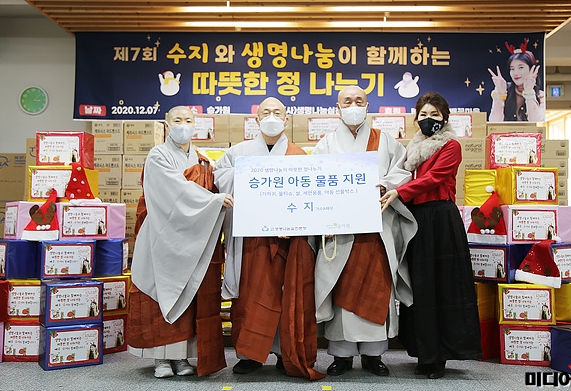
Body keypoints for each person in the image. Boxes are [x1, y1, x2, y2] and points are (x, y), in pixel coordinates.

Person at [214, 97, 323, 380]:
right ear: (256, 119)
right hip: (251, 240)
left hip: (287, 241)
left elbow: (310, 198)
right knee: (251, 295)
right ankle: (249, 355)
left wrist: (294, 223)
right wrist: (246, 173)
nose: (271, 117)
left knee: (285, 296)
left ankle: (283, 352)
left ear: (286, 120)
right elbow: (219, 180)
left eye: (277, 112)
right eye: (266, 112)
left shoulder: (299, 156)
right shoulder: (238, 153)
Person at [311, 85, 417, 377]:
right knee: (341, 288)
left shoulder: (385, 140)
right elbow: (315, 181)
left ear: (367, 106)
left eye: (359, 101)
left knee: (376, 287)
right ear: (338, 107)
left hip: (376, 230)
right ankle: (341, 355)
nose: (353, 106)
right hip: (340, 229)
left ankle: (374, 354)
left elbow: (402, 171)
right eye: (347, 101)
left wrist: (385, 185)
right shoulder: (326, 143)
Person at [380, 91, 482, 379]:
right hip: (416, 220)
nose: (428, 119)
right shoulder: (412, 148)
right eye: (423, 115)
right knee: (420, 285)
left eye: (434, 115)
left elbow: (434, 178)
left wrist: (399, 192)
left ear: (445, 118)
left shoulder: (451, 145)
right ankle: (423, 352)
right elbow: (399, 175)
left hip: (441, 220)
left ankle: (440, 357)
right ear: (416, 119)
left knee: (443, 285)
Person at [127, 105, 234, 378]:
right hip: (161, 235)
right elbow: (173, 191)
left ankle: (181, 357)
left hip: (191, 239)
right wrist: (213, 201)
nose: (183, 124)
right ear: (167, 123)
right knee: (160, 295)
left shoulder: (202, 161)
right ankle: (160, 359)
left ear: (195, 124)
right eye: (177, 120)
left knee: (187, 298)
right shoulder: (157, 155)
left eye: (188, 120)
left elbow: (210, 193)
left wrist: (217, 201)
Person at [487, 38, 545, 122]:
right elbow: (494, 122)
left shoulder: (540, 95)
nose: (515, 73)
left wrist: (529, 92)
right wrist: (500, 95)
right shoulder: (504, 90)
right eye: (512, 69)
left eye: (521, 67)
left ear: (531, 69)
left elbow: (536, 122)